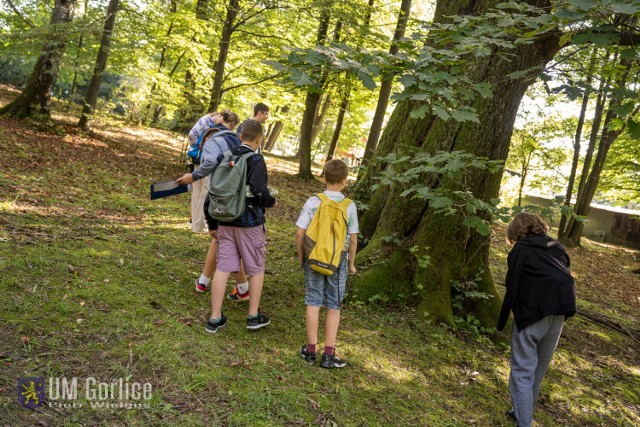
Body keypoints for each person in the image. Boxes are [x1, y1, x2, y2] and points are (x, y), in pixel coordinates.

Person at [497, 212, 576, 427]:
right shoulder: (557, 246)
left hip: (532, 315)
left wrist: (501, 322)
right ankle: (519, 412)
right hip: (559, 313)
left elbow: (511, 286)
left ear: (515, 232)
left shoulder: (520, 250)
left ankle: (524, 422)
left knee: (522, 372)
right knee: (537, 370)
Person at [205, 119, 277, 333]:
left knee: (223, 268)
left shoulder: (224, 157)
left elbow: (212, 191)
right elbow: (258, 189)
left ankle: (215, 317)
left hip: (225, 221)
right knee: (255, 268)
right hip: (250, 223)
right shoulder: (256, 160)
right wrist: (270, 201)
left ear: (239, 136)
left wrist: (212, 223)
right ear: (259, 139)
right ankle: (253, 316)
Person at [176, 111, 249, 294]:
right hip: (235, 198)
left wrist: (192, 176)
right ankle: (240, 287)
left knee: (222, 239)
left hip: (221, 195)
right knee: (225, 240)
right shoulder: (237, 142)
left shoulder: (213, 141)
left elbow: (208, 163)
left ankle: (229, 285)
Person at [296, 159, 358, 368]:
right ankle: (329, 355)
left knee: (313, 301)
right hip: (337, 260)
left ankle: (311, 350)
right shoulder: (349, 206)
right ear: (345, 181)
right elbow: (353, 238)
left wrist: (300, 256)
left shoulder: (314, 201)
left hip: (314, 256)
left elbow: (300, 232)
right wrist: (350, 264)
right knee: (334, 305)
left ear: (323, 177)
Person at [181, 111, 240, 234]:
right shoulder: (228, 136)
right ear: (233, 124)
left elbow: (194, 139)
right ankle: (200, 227)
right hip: (210, 169)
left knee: (196, 195)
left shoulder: (209, 130)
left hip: (199, 164)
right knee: (204, 197)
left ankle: (196, 226)